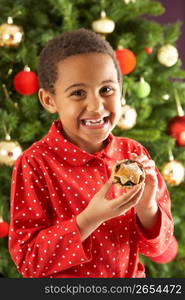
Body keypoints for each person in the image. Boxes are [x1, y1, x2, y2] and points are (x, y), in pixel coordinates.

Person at [9, 28, 174, 278]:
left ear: (120, 89)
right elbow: (28, 261)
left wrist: (147, 207)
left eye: (106, 90)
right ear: (49, 100)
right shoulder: (34, 164)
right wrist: (87, 220)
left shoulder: (134, 153)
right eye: (78, 93)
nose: (97, 106)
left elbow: (158, 247)